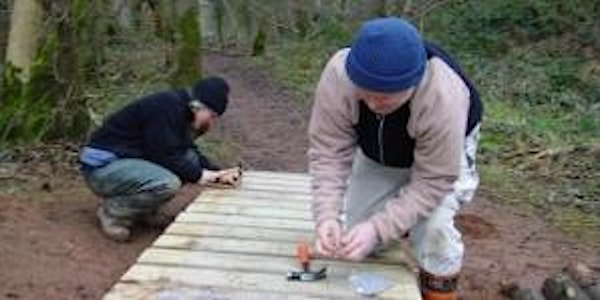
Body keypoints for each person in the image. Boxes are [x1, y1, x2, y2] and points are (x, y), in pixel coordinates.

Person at [308, 17, 482, 299]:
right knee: (357, 237)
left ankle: (436, 293)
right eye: (366, 95)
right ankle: (399, 227)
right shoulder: (339, 75)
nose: (375, 106)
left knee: (434, 229)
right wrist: (326, 215)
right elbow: (328, 151)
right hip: (380, 151)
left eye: (386, 99)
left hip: (442, 156)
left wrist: (379, 228)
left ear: (413, 83)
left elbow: (433, 180)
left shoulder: (443, 94)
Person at [79, 77, 241, 242]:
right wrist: (202, 175)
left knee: (186, 162)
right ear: (199, 106)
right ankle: (113, 213)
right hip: (102, 169)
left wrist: (216, 172)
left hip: (124, 161)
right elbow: (164, 154)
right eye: (212, 115)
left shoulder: (181, 110)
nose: (211, 121)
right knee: (167, 183)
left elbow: (185, 151)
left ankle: (143, 211)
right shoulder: (167, 107)